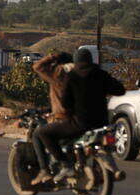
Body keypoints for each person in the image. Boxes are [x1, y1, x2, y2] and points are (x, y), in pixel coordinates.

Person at [35, 47, 125, 183]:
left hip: (81, 123)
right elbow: (120, 90)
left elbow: (66, 102)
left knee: (43, 133)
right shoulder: (100, 74)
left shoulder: (71, 76)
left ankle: (66, 165)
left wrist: (71, 112)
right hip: (102, 122)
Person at [29, 51, 73, 185]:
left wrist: (52, 56)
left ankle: (45, 170)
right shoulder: (81, 76)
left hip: (63, 119)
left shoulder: (57, 75)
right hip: (83, 118)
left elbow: (37, 67)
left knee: (38, 134)